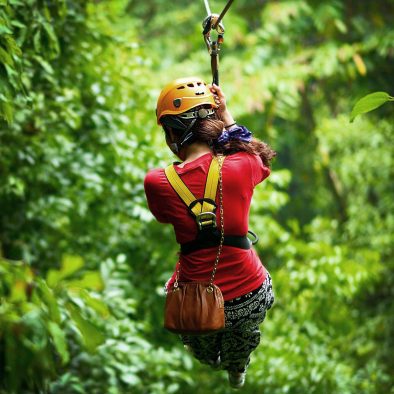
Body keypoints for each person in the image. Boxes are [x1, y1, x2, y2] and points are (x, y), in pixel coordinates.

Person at [144, 76, 275, 389]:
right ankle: (238, 361)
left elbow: (164, 217)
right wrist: (226, 117)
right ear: (212, 126)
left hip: (194, 301)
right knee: (244, 331)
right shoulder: (242, 164)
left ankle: (216, 359)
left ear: (173, 134)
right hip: (250, 293)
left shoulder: (157, 183)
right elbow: (259, 155)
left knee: (200, 343)